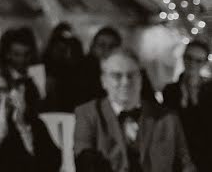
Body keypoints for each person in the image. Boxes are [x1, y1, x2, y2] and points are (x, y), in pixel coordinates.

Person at [74, 48, 194, 172]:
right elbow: (83, 162)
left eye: (131, 75)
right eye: (117, 76)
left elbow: (186, 165)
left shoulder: (168, 118)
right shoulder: (88, 113)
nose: (125, 82)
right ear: (103, 81)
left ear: (141, 79)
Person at [162, 40, 211, 172]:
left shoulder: (210, 90)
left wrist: (195, 98)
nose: (192, 64)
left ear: (205, 63)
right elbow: (169, 125)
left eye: (198, 60)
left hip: (206, 155)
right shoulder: (170, 90)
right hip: (178, 155)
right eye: (189, 58)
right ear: (183, 58)